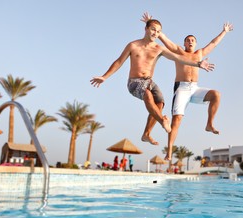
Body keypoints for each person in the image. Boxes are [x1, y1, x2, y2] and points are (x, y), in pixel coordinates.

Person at [90, 18, 214, 146]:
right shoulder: (133, 45)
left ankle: (146, 134)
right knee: (148, 95)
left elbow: (179, 58)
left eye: (158, 31)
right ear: (146, 29)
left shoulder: (158, 48)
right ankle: (162, 121)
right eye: (153, 29)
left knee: (160, 103)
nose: (155, 33)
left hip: (149, 81)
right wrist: (104, 77)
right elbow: (119, 62)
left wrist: (199, 63)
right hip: (134, 82)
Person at [141, 13, 233, 160]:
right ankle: (169, 151)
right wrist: (151, 24)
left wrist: (224, 32)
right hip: (182, 89)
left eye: (193, 40)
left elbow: (213, 43)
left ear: (195, 43)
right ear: (184, 43)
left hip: (195, 89)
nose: (190, 42)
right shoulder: (179, 51)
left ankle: (209, 124)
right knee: (176, 121)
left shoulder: (200, 53)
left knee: (216, 94)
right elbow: (164, 39)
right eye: (188, 40)